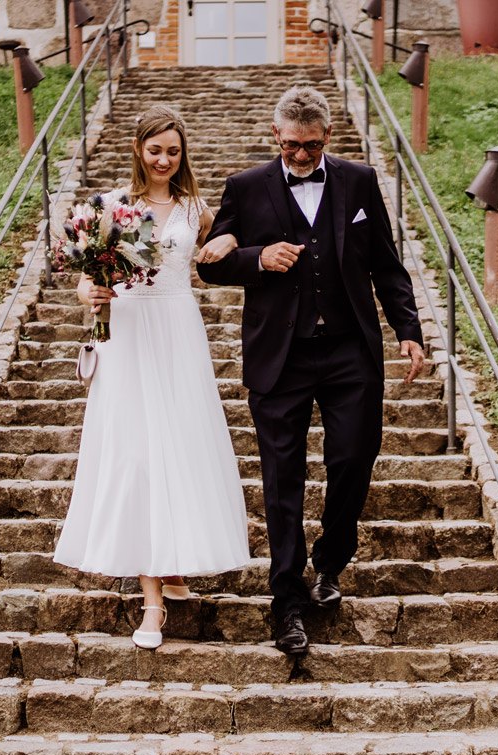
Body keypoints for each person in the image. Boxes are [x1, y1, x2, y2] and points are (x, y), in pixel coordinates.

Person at [197, 86, 425, 655]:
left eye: (313, 146)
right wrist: (257, 258)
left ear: (329, 138)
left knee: (354, 459)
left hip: (351, 350)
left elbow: (387, 268)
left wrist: (410, 332)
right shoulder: (244, 189)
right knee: (282, 483)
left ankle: (330, 563)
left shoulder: (359, 181)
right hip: (281, 357)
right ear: (276, 136)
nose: (302, 156)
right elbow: (212, 268)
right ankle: (287, 603)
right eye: (293, 146)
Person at [54, 106, 249, 650]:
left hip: (179, 330)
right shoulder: (112, 207)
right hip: (131, 330)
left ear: (183, 155)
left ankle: (178, 569)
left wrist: (227, 243)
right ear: (139, 149)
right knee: (138, 451)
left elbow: (228, 241)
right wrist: (86, 294)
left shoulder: (195, 208)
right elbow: (87, 274)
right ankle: (153, 600)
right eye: (155, 149)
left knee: (181, 447)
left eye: (173, 151)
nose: (164, 159)